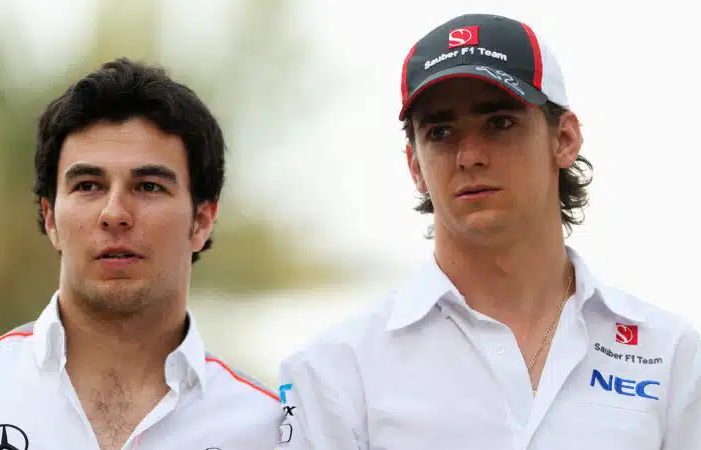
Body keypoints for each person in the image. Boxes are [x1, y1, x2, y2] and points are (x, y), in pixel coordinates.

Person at [275, 13, 701, 450]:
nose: (469, 155)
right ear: (414, 166)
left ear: (565, 139)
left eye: (499, 122)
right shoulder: (334, 371)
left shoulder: (670, 355)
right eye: (440, 131)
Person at [0, 58, 282, 450]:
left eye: (149, 186)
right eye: (87, 185)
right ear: (50, 218)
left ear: (201, 221)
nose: (114, 213)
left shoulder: (270, 431)